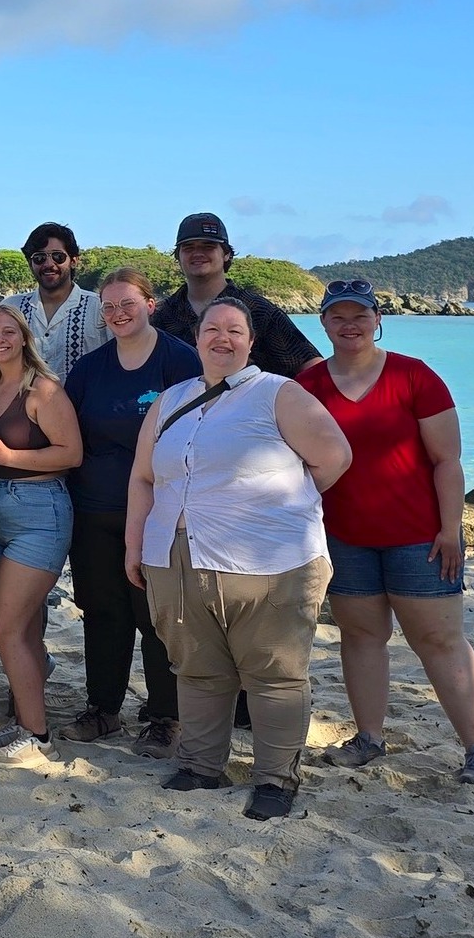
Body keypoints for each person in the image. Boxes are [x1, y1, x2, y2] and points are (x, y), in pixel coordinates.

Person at [126, 297, 351, 821]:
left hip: (269, 560)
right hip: (175, 555)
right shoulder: (170, 401)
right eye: (211, 329)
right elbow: (143, 477)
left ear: (251, 341)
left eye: (234, 330)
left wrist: (273, 508)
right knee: (197, 668)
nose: (221, 338)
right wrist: (135, 544)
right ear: (197, 338)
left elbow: (335, 457)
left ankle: (275, 777)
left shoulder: (278, 393)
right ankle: (202, 764)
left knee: (274, 672)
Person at [297, 280, 474, 787]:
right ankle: (369, 738)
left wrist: (451, 528)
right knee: (362, 637)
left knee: (438, 639)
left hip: (419, 537)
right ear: (323, 323)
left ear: (377, 319)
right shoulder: (308, 387)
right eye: (338, 317)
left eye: (359, 315)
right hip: (344, 537)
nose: (349, 325)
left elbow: (447, 461)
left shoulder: (415, 376)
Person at [60, 268, 200, 759]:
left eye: (128, 303)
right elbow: (67, 434)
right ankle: (103, 709)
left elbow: (199, 437)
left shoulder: (179, 362)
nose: (119, 313)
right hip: (94, 510)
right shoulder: (89, 369)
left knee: (157, 617)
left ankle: (165, 717)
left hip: (160, 513)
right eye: (110, 306)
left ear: (150, 304)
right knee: (101, 613)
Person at [0, 306, 83, 771]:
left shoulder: (42, 389)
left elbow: (71, 453)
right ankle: (25, 721)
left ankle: (38, 737)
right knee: (24, 626)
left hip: (38, 511)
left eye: (8, 331)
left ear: (24, 336)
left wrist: (12, 457)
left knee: (5, 628)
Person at [152, 213, 321, 378]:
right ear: (178, 256)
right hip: (177, 404)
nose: (197, 253)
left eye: (208, 246)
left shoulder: (258, 310)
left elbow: (312, 366)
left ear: (226, 254)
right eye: (188, 247)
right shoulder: (161, 315)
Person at [0, 222, 110, 384]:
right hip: (24, 406)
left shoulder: (99, 307)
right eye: (39, 258)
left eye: (58, 256)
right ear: (31, 264)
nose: (49, 264)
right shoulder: (11, 307)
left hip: (85, 407)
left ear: (74, 260)